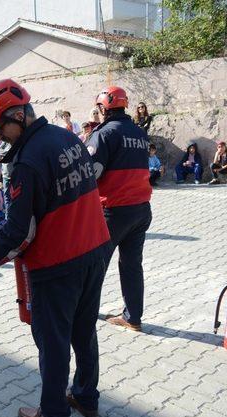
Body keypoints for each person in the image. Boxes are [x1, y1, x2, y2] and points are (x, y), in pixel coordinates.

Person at [0, 79, 110, 417]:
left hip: (58, 263)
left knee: (53, 340)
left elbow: (18, 231)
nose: (0, 137)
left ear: (18, 115)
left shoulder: (27, 162)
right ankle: (86, 397)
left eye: (0, 129)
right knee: (84, 328)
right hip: (95, 250)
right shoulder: (67, 137)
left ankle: (54, 414)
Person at [87, 85, 152, 333]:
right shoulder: (139, 133)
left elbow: (91, 174)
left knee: (95, 262)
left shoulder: (104, 134)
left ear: (104, 107)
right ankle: (133, 317)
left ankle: (86, 311)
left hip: (113, 210)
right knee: (131, 265)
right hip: (141, 209)